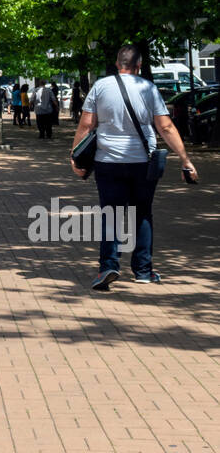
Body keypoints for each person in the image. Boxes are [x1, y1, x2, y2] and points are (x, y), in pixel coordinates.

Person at [71, 44, 199, 290]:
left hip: (108, 162)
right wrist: (185, 159)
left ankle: (108, 265)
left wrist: (76, 156)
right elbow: (166, 127)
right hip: (142, 162)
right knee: (143, 213)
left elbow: (86, 125)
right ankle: (143, 270)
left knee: (111, 214)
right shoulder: (148, 88)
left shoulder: (100, 86)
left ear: (118, 64)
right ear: (139, 66)